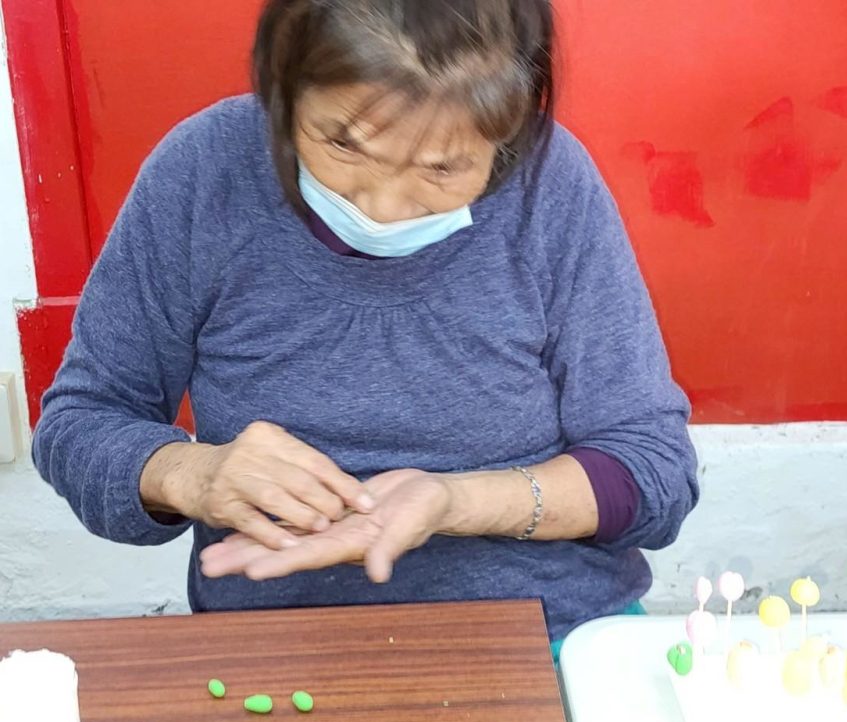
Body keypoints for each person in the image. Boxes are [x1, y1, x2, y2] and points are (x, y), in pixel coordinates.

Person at [32, 0, 699, 652]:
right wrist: (191, 473)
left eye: (443, 167)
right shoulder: (206, 173)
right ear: (283, 91)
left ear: (510, 129)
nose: (384, 209)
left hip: (551, 631)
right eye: (343, 144)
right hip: (278, 647)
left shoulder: (549, 187)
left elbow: (654, 473)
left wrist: (454, 502)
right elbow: (81, 422)